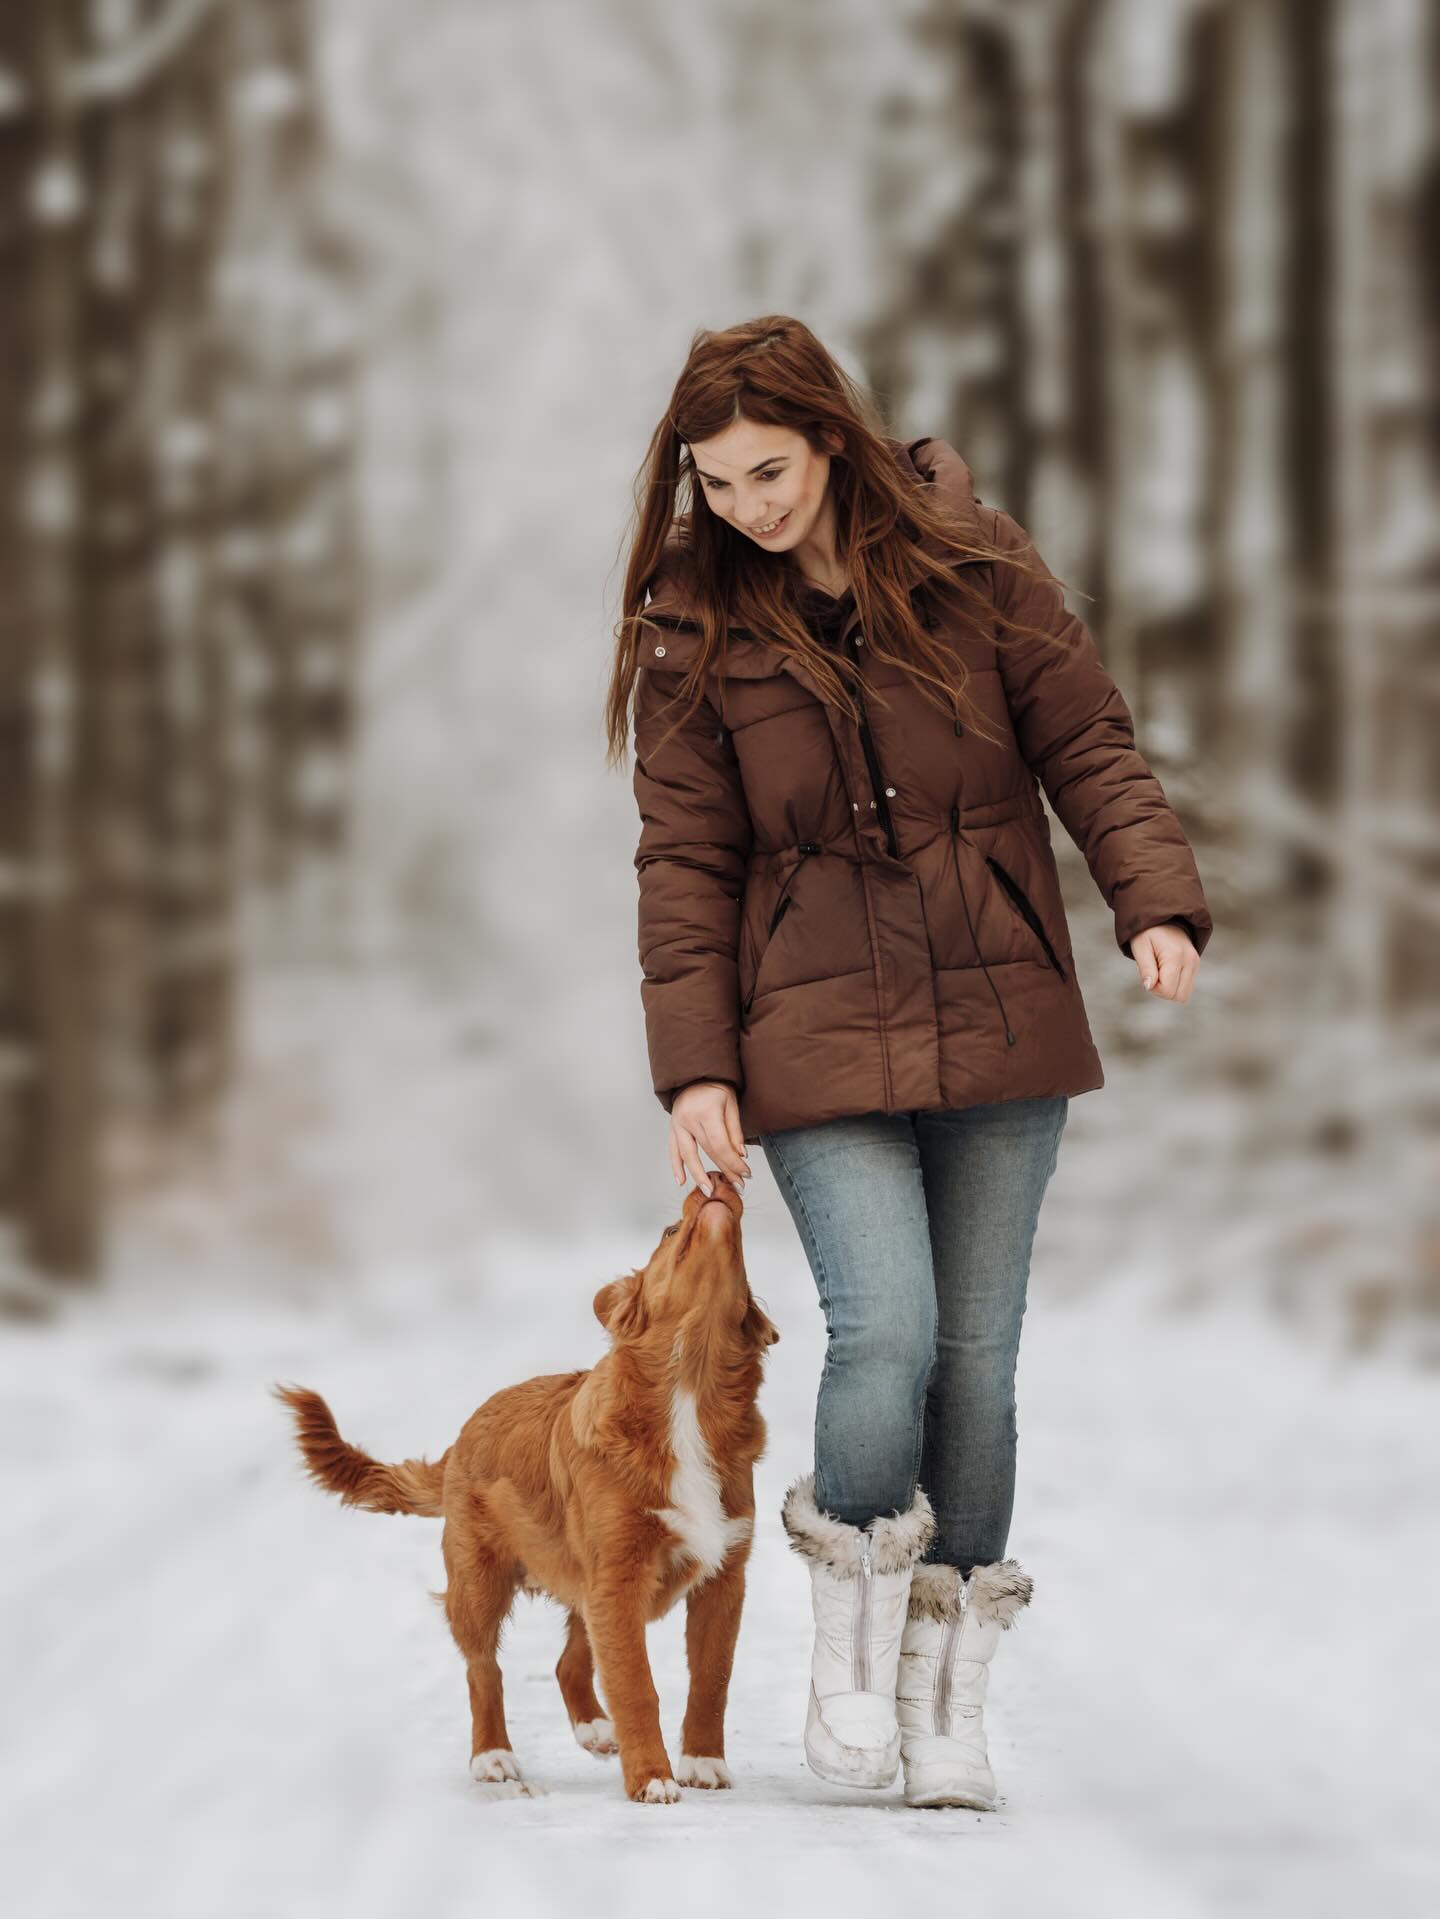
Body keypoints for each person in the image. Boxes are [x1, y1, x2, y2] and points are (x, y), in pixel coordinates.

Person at [606, 315, 1211, 1809]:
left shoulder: (970, 559)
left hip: (1002, 1013)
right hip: (810, 1034)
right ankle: (849, 1658)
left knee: (977, 1361)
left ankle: (948, 1703)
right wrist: (696, 1070)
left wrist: (1153, 899)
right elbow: (685, 858)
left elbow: (1087, 743)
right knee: (886, 1331)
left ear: (830, 435)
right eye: (716, 482)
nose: (747, 506)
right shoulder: (693, 622)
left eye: (768, 471)